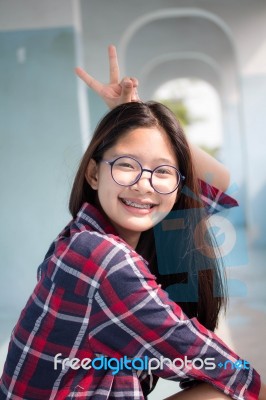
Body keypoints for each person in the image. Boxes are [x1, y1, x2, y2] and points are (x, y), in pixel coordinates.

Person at [0, 46, 265, 400]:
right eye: (127, 164)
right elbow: (238, 378)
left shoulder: (82, 237)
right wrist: (139, 120)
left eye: (162, 171)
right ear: (94, 173)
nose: (144, 183)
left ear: (178, 183)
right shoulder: (102, 257)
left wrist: (137, 115)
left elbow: (218, 183)